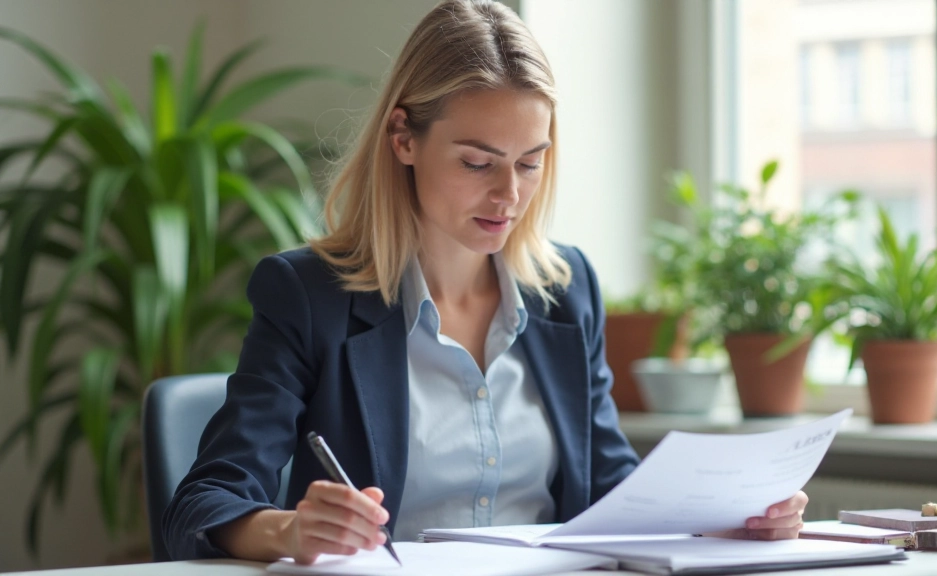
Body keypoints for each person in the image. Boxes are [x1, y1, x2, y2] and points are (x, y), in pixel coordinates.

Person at [162, 0, 808, 564]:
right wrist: (291, 529)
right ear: (403, 137)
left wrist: (725, 517)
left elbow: (608, 486)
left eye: (531, 163)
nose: (509, 194)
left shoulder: (566, 287)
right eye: (478, 163)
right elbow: (205, 500)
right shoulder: (310, 294)